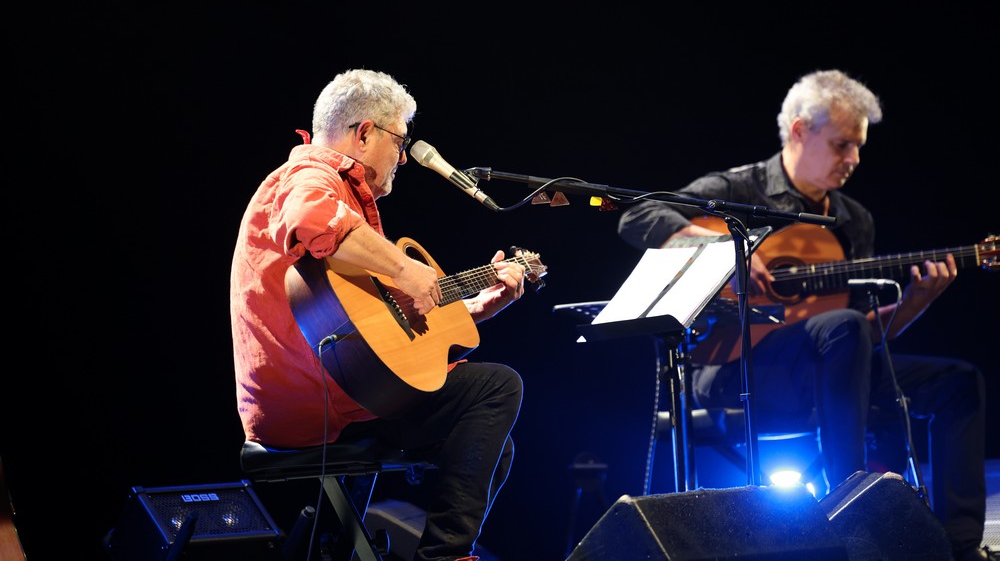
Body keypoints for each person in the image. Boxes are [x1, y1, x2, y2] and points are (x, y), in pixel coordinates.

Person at [617, 69, 992, 561]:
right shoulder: (739, 190)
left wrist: (915, 302)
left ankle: (959, 545)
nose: (854, 159)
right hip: (735, 368)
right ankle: (850, 506)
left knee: (957, 383)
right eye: (842, 145)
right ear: (799, 131)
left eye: (858, 147)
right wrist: (730, 253)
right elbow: (637, 216)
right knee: (842, 328)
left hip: (832, 367)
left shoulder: (853, 220)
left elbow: (863, 333)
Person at [230, 68, 527, 561]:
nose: (402, 157)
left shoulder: (337, 197)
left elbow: (383, 334)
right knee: (498, 388)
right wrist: (406, 270)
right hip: (318, 400)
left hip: (343, 390)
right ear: (365, 132)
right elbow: (310, 220)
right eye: (400, 140)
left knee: (492, 448)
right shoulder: (308, 177)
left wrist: (478, 305)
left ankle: (343, 549)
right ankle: (445, 557)